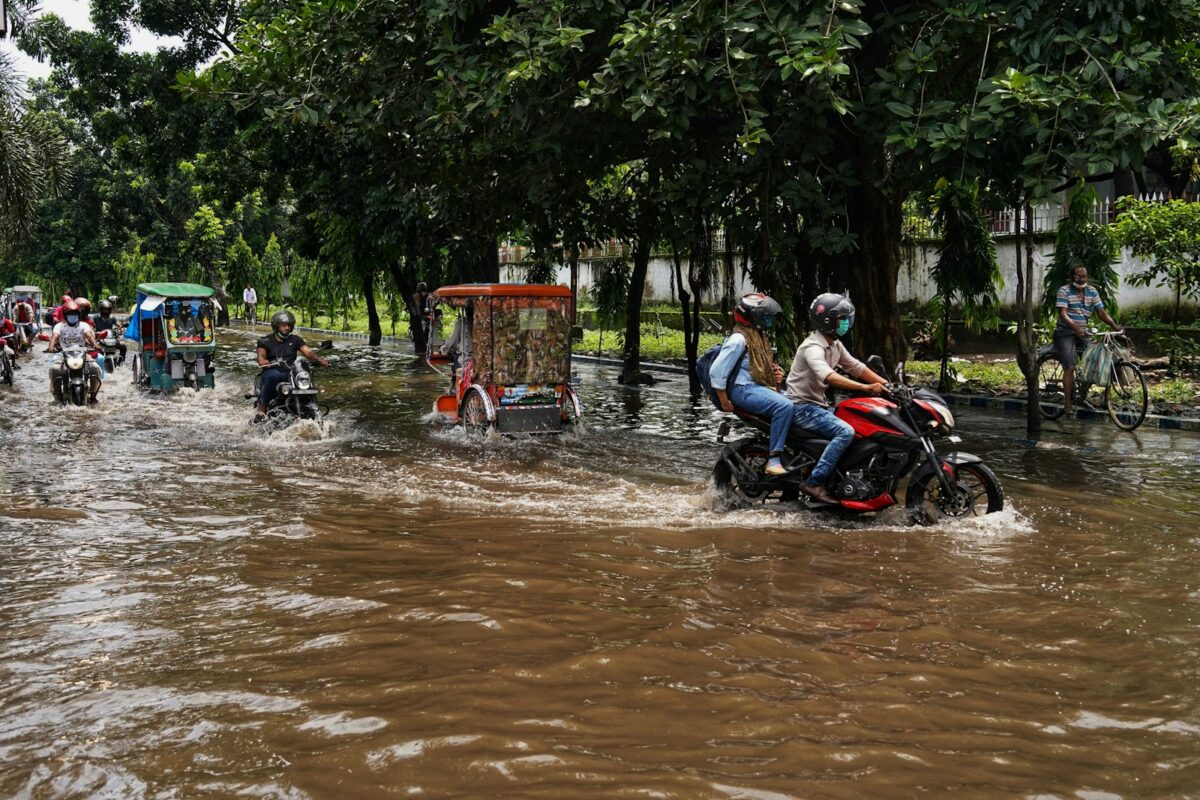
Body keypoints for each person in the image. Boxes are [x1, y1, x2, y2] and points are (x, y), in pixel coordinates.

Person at [784, 293, 888, 505]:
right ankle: (815, 482)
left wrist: (888, 386)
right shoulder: (812, 347)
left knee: (861, 424)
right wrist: (866, 388)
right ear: (828, 321)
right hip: (802, 407)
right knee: (845, 431)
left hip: (818, 406)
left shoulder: (835, 345)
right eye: (842, 318)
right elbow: (828, 375)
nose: (846, 322)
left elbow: (856, 367)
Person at [711, 293, 794, 476]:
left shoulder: (759, 337)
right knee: (784, 406)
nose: (769, 319)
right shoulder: (738, 339)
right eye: (764, 315)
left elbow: (760, 369)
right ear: (752, 316)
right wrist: (725, 402)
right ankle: (773, 459)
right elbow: (716, 372)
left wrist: (777, 376)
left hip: (757, 388)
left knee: (798, 401)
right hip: (743, 390)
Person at [1054, 265, 1120, 414]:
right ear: (1072, 277)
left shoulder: (1092, 291)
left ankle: (1081, 395)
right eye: (1079, 276)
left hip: (1083, 333)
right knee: (1070, 367)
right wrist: (1075, 327)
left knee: (1094, 362)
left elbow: (1102, 313)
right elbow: (1063, 314)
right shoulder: (1064, 291)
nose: (1082, 279)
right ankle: (1068, 404)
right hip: (1065, 333)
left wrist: (1116, 327)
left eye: (1084, 276)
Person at [254, 310, 329, 420]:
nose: (287, 328)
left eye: (289, 325)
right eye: (283, 325)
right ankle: (262, 409)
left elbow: (308, 352)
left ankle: (310, 406)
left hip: (290, 371)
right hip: (273, 369)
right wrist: (264, 361)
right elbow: (261, 356)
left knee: (305, 376)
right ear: (276, 326)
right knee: (273, 376)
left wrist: (319, 359)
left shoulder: (295, 339)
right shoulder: (265, 341)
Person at [47, 300, 101, 402]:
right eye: (70, 314)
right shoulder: (59, 326)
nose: (73, 316)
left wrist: (95, 345)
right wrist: (51, 346)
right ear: (65, 315)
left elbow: (89, 335)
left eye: (75, 314)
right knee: (54, 370)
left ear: (78, 315)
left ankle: (93, 395)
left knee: (95, 368)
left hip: (82, 353)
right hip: (64, 354)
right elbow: (55, 336)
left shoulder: (84, 325)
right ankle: (58, 396)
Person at [92, 300, 127, 364]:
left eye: (108, 309)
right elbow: (90, 325)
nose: (106, 311)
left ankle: (121, 361)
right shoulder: (95, 317)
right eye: (104, 309)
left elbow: (118, 324)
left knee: (123, 346)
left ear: (110, 310)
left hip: (111, 338)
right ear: (101, 310)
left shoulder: (112, 317)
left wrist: (121, 329)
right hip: (99, 339)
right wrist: (92, 331)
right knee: (93, 347)